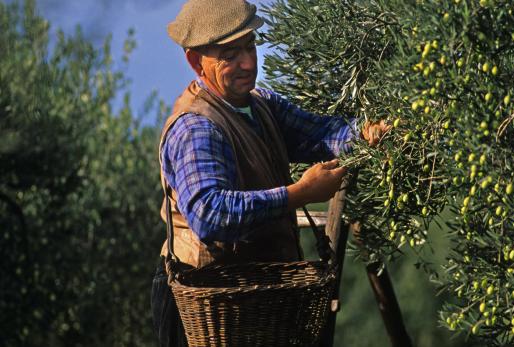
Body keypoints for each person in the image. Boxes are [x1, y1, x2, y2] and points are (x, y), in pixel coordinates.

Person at [150, 0, 390, 346]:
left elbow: (322, 135)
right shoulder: (196, 128)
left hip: (252, 297)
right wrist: (301, 193)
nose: (248, 63)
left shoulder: (259, 105)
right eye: (230, 54)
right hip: (205, 302)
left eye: (250, 46)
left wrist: (366, 134)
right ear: (195, 60)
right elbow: (211, 215)